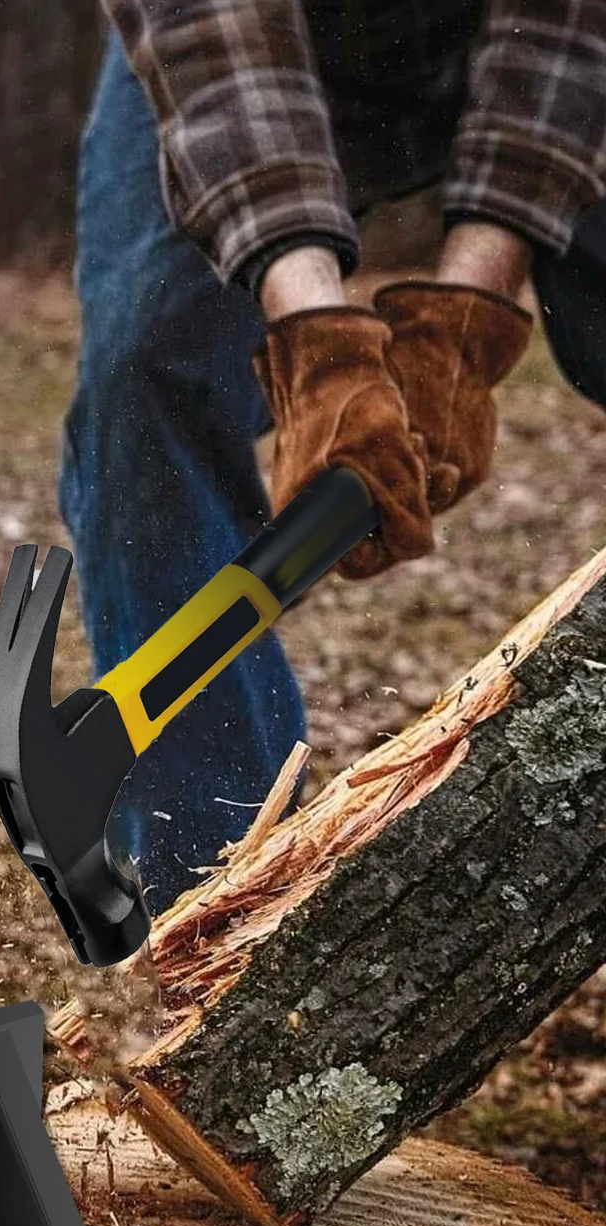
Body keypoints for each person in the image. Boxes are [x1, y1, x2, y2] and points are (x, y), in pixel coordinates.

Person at [62, 0, 606, 910]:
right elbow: (213, 26)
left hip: (537, 44)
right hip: (231, 42)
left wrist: (466, 323)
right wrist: (318, 343)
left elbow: (569, 28)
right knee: (144, 369)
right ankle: (220, 883)